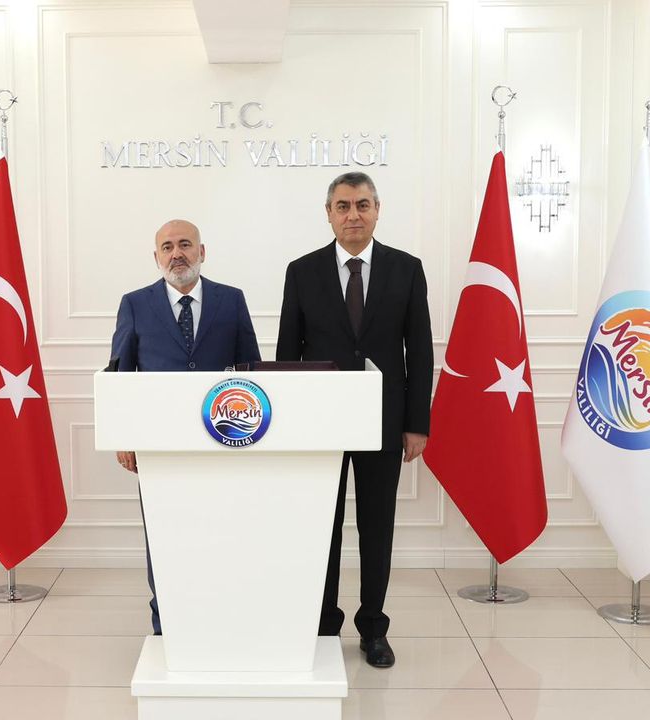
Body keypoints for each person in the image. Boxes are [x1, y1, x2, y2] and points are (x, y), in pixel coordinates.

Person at [276, 172, 432, 668]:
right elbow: (287, 354)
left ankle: (373, 628)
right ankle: (324, 622)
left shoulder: (407, 269)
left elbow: (419, 351)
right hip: (319, 423)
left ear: (377, 210)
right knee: (323, 524)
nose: (353, 215)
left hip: (384, 421)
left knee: (376, 527)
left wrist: (417, 423)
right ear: (328, 214)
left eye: (362, 205)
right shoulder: (302, 272)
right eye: (342, 206)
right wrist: (289, 425)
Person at [110, 219, 261, 635]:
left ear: (201, 252)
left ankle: (220, 616)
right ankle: (167, 624)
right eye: (167, 247)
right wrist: (125, 436)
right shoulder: (134, 304)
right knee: (165, 535)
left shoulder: (231, 300)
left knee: (221, 531)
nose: (176, 253)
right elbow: (122, 374)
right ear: (156, 257)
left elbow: (251, 369)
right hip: (160, 445)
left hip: (224, 440)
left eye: (184, 244)